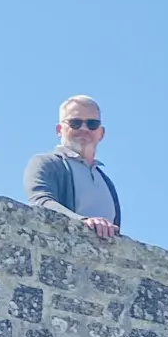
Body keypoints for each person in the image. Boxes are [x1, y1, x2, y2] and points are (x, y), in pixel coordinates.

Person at [23, 95, 120, 240]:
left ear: (101, 133)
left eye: (92, 124)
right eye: (75, 123)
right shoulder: (46, 163)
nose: (84, 129)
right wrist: (84, 222)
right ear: (59, 129)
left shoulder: (107, 182)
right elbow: (41, 202)